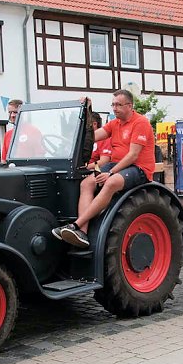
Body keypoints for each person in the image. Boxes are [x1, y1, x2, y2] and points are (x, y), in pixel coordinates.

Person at [52, 89, 155, 248]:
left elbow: (133, 155)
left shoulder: (140, 122)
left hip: (138, 168)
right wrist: (86, 110)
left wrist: (110, 172)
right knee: (86, 183)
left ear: (129, 105)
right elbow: (91, 136)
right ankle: (82, 234)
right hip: (116, 165)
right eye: (113, 104)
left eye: (118, 105)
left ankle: (76, 225)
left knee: (111, 183)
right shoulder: (115, 123)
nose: (114, 108)